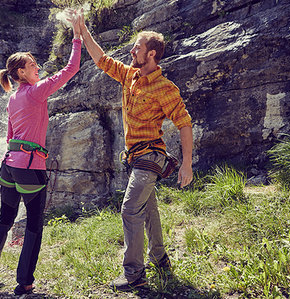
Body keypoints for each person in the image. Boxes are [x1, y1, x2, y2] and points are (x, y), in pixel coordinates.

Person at [77, 13, 194, 291]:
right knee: (149, 210)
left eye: (137, 48)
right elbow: (102, 60)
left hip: (151, 157)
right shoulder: (129, 75)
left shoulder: (165, 88)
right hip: (136, 158)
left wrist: (186, 163)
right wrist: (82, 30)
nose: (132, 51)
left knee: (130, 210)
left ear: (151, 53)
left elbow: (185, 123)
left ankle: (134, 275)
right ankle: (160, 259)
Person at [0, 12, 81, 296]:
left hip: (9, 167)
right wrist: (77, 37)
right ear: (21, 73)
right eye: (32, 65)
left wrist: (7, 163)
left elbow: (9, 136)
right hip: (30, 167)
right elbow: (71, 69)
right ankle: (24, 283)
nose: (37, 67)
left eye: (36, 63)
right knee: (34, 224)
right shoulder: (35, 91)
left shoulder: (12, 97)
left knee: (5, 219)